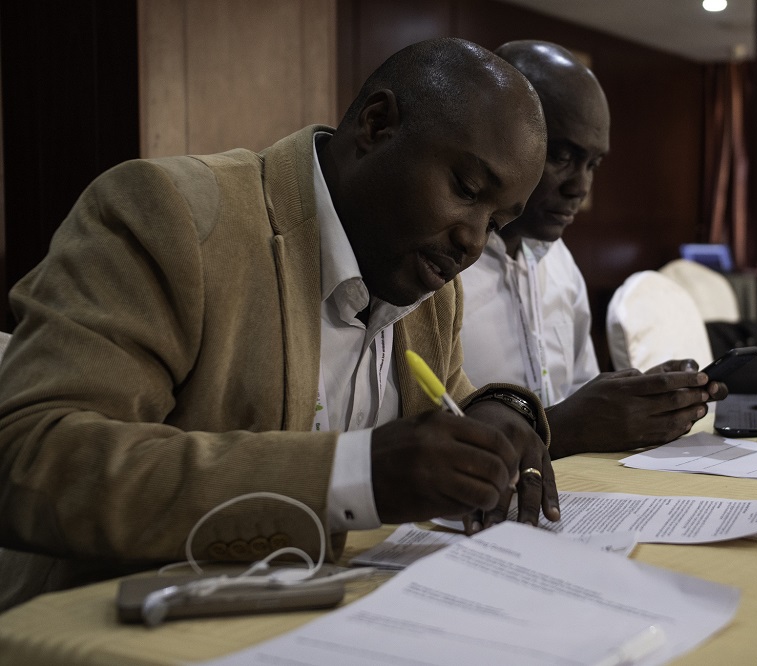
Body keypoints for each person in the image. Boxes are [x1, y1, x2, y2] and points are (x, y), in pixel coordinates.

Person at [0, 37, 557, 611]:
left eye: (496, 222)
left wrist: (504, 410)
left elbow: (450, 404)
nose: (472, 239)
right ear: (377, 124)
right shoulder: (171, 216)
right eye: (466, 190)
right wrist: (355, 475)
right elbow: (28, 457)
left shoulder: (428, 278)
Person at [460, 40, 727, 460]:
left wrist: (639, 399)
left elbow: (573, 398)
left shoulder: (560, 263)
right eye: (562, 155)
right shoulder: (437, 268)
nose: (580, 188)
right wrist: (565, 426)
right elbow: (422, 442)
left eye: (593, 164)